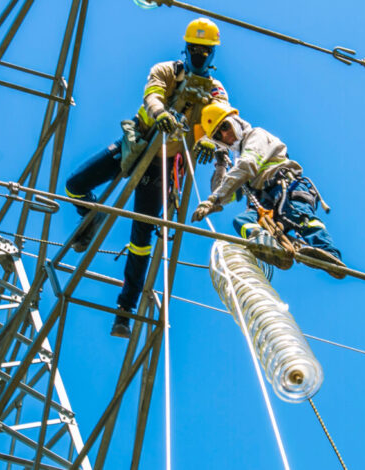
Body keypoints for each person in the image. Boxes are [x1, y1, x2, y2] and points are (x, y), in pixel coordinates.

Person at [64, 18, 230, 338]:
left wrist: (211, 138)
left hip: (163, 167)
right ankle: (91, 214)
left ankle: (124, 310)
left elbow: (220, 119)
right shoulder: (168, 70)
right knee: (75, 185)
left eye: (204, 51)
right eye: (193, 49)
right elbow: (152, 95)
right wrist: (160, 114)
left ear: (212, 55)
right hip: (137, 146)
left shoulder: (215, 91)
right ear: (186, 48)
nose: (198, 55)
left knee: (141, 241)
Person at [190, 102, 346, 279]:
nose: (225, 135)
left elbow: (247, 166)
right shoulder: (237, 157)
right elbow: (228, 193)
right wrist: (220, 163)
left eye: (225, 126)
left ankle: (330, 254)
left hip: (285, 188)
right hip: (264, 202)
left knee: (299, 218)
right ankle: (274, 248)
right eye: (218, 135)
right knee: (242, 221)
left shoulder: (256, 136)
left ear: (235, 121)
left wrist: (213, 200)